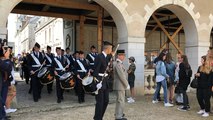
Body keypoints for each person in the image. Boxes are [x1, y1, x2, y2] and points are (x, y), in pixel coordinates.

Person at [93, 41, 113, 120]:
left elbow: (107, 69)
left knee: (106, 101)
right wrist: (97, 82)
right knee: (100, 102)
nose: (111, 50)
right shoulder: (99, 57)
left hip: (106, 81)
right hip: (100, 81)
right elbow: (95, 70)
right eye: (111, 48)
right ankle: (97, 118)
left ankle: (100, 116)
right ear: (107, 48)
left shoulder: (107, 57)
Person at [113, 50, 129, 120]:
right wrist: (126, 84)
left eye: (124, 55)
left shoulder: (119, 63)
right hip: (120, 85)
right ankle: (118, 116)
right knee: (120, 100)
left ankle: (119, 113)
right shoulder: (118, 64)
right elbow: (121, 76)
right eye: (122, 55)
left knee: (119, 100)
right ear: (119, 55)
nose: (124, 56)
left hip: (120, 85)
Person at [0, 44, 13, 120]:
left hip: (4, 82)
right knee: (1, 101)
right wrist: (7, 58)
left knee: (3, 100)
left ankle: (3, 115)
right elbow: (7, 67)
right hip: (2, 82)